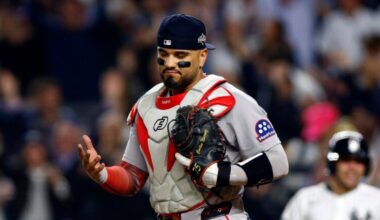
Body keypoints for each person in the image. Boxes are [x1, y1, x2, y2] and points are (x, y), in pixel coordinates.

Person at [78, 13, 289, 220]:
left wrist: (223, 174)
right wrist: (102, 174)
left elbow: (278, 162)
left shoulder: (228, 99)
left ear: (202, 56)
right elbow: (133, 177)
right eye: (164, 53)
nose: (170, 63)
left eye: (180, 55)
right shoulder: (145, 106)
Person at [281, 130, 380, 220]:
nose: (352, 168)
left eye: (359, 162)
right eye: (346, 160)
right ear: (332, 164)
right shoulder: (305, 199)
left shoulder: (377, 200)